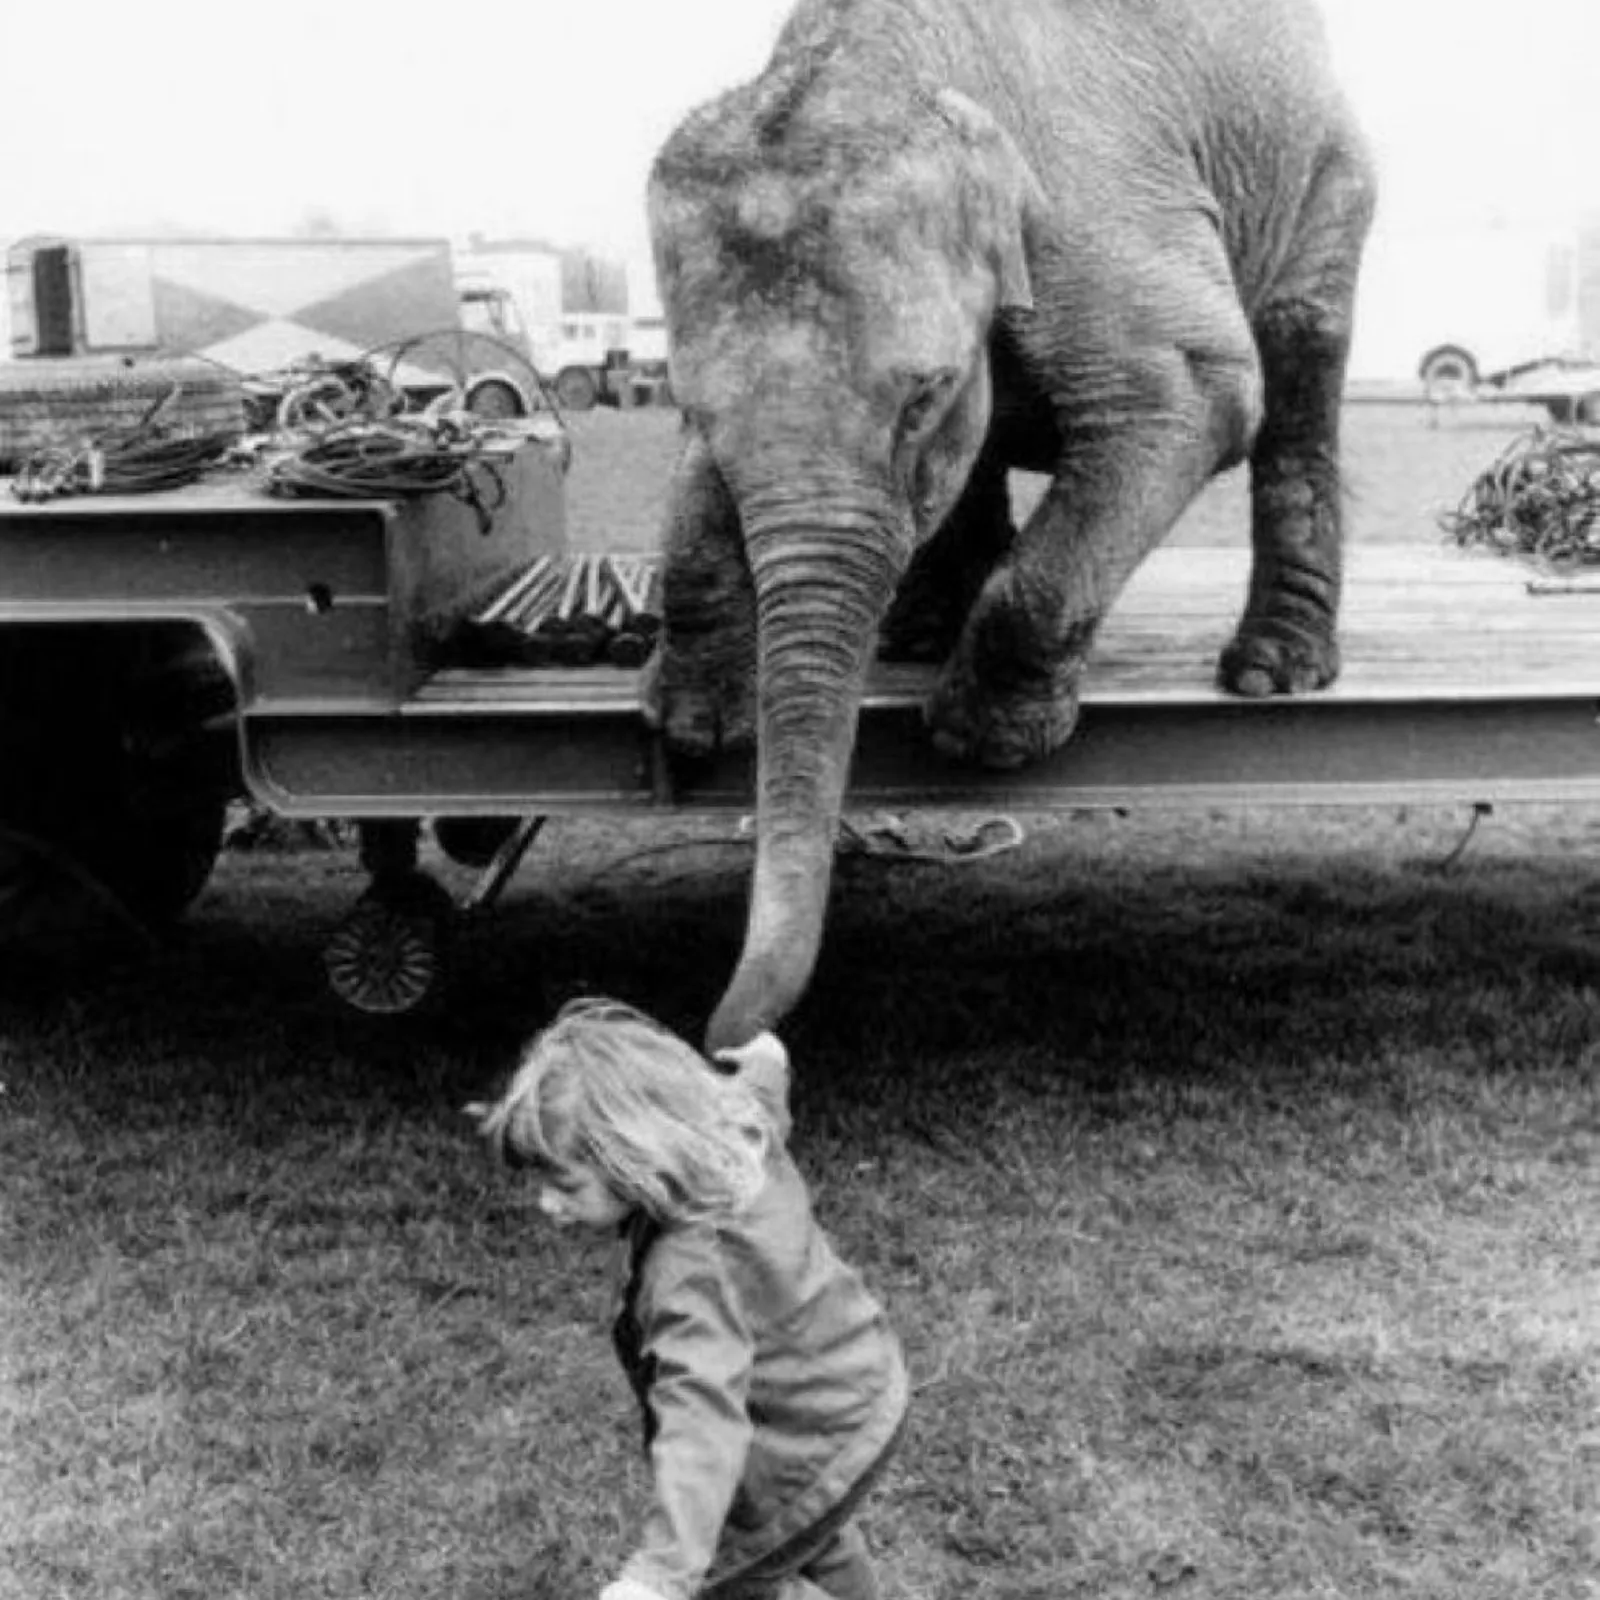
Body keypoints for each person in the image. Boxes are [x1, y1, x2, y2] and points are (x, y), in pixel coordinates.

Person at [467, 998, 908, 1600]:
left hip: (803, 1442)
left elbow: (701, 1419)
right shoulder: (729, 1134)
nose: (547, 1205)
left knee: (736, 1578)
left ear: (634, 1158)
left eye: (564, 1184)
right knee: (810, 1530)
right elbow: (761, 1097)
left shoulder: (691, 1273)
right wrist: (768, 1060)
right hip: (854, 1393)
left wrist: (661, 1577)